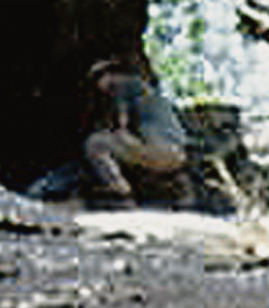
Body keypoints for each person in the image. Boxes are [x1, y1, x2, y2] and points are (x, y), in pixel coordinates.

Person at [80, 53, 194, 209]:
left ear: (109, 75)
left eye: (96, 79)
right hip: (178, 153)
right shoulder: (145, 88)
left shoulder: (119, 87)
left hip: (159, 150)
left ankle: (120, 192)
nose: (97, 86)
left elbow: (121, 127)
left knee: (95, 144)